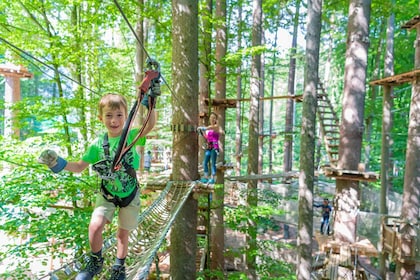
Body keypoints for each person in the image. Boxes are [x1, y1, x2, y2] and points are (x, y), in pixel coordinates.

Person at [38, 87, 159, 280]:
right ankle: (96, 260)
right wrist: (57, 163)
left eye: (119, 115)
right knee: (95, 226)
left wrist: (151, 103)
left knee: (122, 234)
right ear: (100, 118)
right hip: (107, 194)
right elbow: (78, 166)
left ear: (126, 116)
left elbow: (149, 125)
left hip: (129, 194)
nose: (114, 120)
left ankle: (119, 266)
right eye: (109, 115)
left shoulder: (131, 136)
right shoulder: (97, 145)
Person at [197, 112, 222, 184]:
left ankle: (213, 179)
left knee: (213, 163)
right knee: (205, 162)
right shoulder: (209, 128)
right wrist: (202, 133)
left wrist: (204, 128)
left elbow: (211, 128)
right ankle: (205, 178)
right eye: (211, 117)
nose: (212, 119)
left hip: (215, 146)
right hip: (209, 146)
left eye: (214, 118)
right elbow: (207, 137)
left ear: (216, 119)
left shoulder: (216, 126)